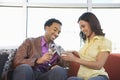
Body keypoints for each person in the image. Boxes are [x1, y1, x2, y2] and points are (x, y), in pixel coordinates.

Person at [61, 12, 112, 80]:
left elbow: (98, 65)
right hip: (82, 77)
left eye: (83, 26)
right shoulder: (87, 41)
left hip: (98, 76)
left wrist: (74, 59)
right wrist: (74, 52)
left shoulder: (104, 41)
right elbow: (87, 57)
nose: (82, 30)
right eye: (80, 28)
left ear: (92, 24)